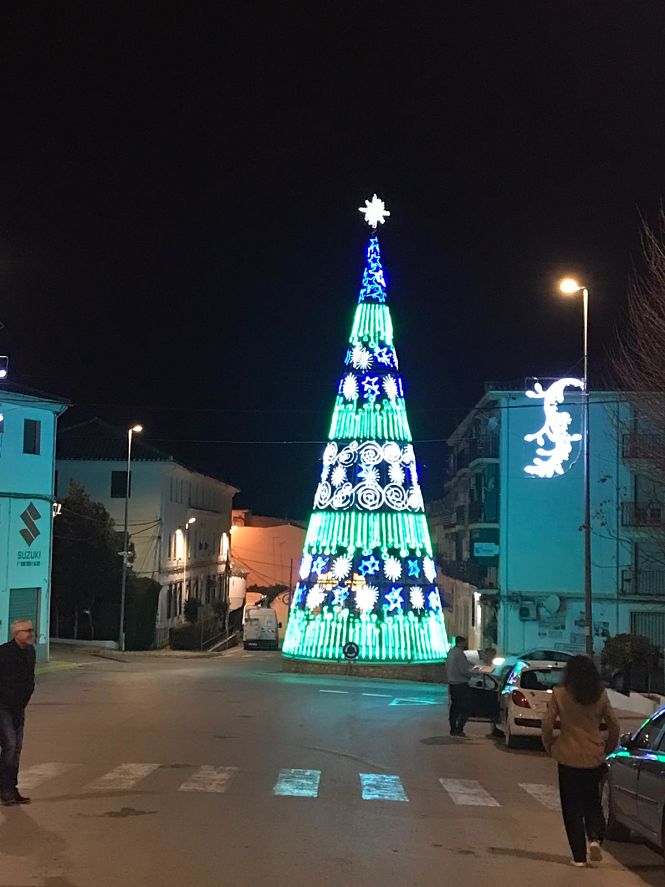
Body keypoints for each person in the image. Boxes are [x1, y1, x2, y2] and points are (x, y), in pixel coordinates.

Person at [542, 655, 620, 868]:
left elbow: (547, 725)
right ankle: (594, 838)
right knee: (592, 801)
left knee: (572, 807)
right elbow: (614, 726)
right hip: (594, 755)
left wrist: (549, 745)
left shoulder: (560, 694)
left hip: (567, 756)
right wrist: (607, 748)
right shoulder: (601, 695)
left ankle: (578, 856)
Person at [0, 619, 36, 806]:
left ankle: (11, 788)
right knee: (10, 746)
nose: (30, 633)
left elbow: (30, 677)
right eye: (27, 631)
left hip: (18, 707)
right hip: (3, 706)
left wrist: (27, 696)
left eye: (31, 630)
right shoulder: (4, 652)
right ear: (16, 633)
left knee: (17, 749)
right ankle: (5, 789)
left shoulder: (30, 651)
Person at [446, 635, 473, 737]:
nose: (466, 644)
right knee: (466, 707)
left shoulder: (451, 652)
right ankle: (459, 728)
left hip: (452, 683)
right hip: (461, 684)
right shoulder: (460, 654)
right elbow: (463, 670)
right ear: (461, 643)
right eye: (464, 643)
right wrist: (473, 674)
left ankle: (453, 728)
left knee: (454, 707)